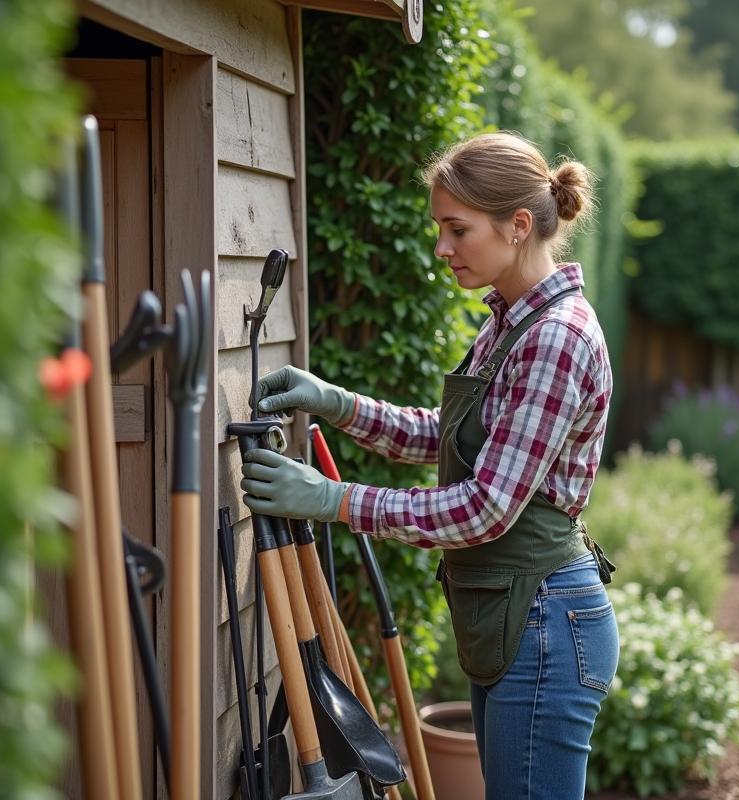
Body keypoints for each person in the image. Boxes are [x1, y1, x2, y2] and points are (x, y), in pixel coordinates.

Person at [240, 131, 619, 800]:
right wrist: (337, 403)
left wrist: (333, 500)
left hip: (543, 624)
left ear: (518, 225)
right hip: (514, 615)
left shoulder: (556, 338)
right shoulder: (509, 323)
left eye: (457, 228)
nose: (441, 247)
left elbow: (484, 507)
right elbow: (450, 437)